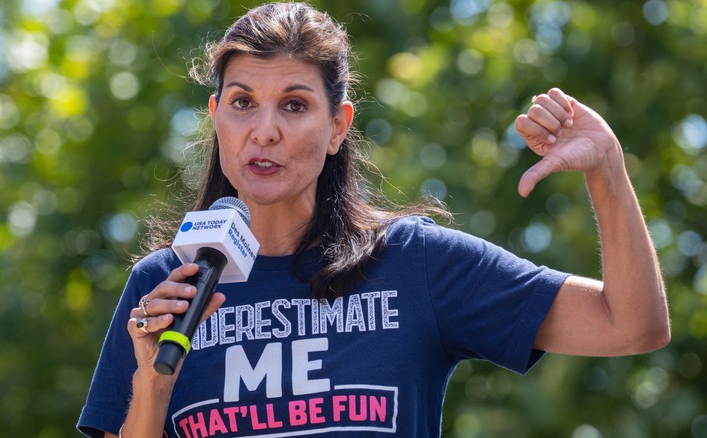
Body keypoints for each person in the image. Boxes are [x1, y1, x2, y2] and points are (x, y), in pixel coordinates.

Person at [77, 2, 670, 437]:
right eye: (241, 103)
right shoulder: (163, 287)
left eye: (294, 104)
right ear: (215, 117)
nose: (264, 130)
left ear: (338, 126)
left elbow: (632, 325)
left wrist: (608, 171)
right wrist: (152, 383)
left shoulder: (415, 263)